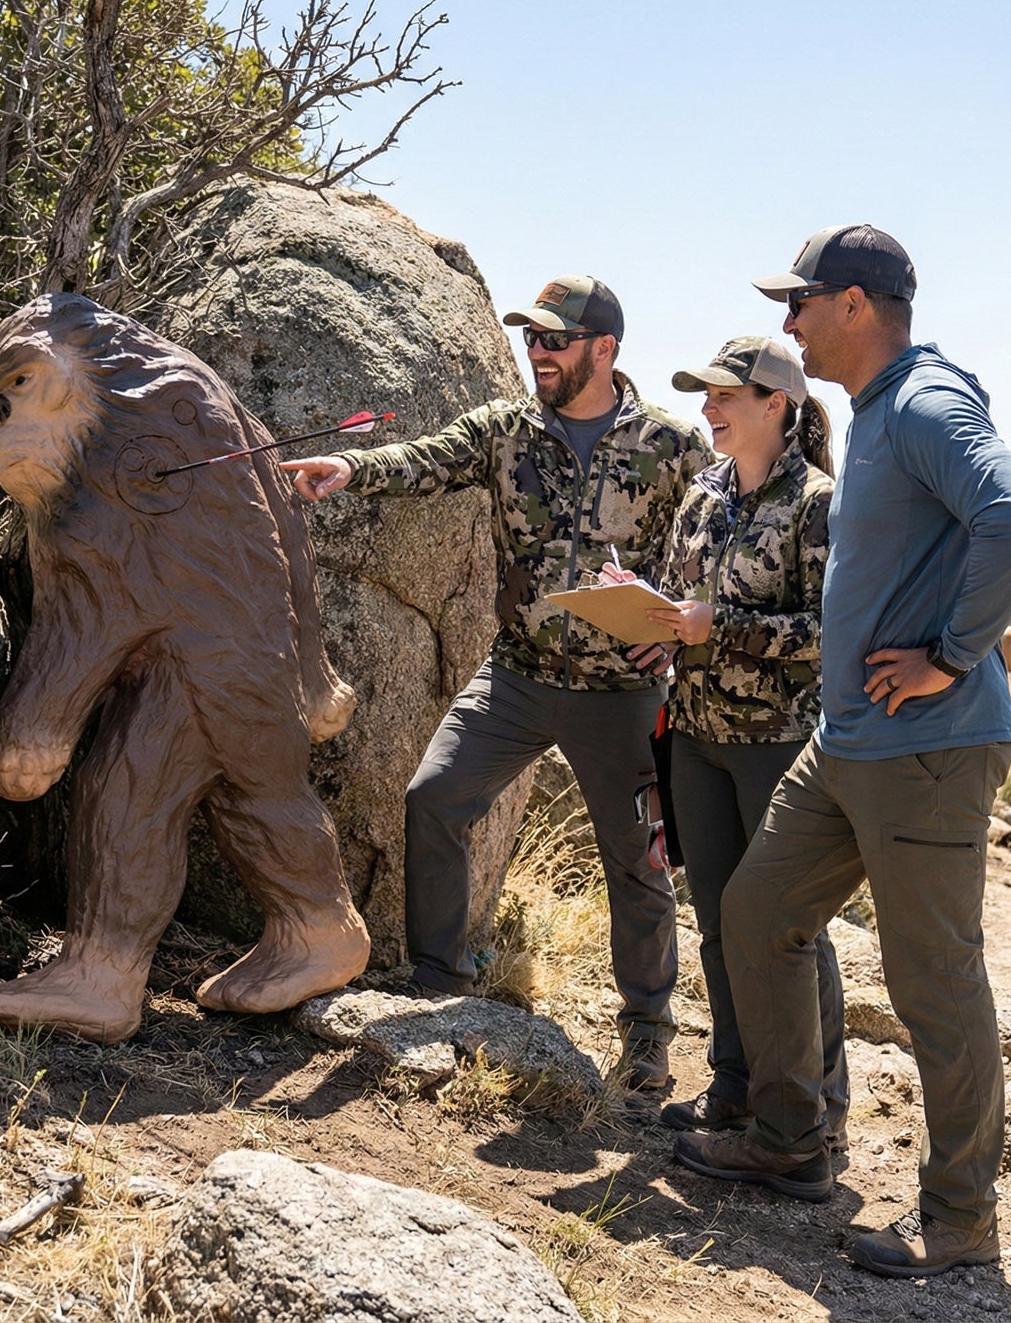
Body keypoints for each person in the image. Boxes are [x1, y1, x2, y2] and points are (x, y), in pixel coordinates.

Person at [669, 225, 1011, 1279]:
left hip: (925, 748)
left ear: (851, 303)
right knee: (752, 914)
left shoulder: (926, 400)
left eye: (798, 303)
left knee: (934, 982)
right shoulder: (882, 413)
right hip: (843, 744)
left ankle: (960, 1217)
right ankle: (789, 1137)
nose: (786, 323)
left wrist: (947, 652)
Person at [281, 275, 712, 1088]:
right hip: (516, 675)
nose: (537, 350)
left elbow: (716, 542)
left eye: (554, 338)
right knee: (434, 797)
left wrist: (687, 630)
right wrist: (347, 464)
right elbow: (422, 459)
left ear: (604, 349)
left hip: (623, 694)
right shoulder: (504, 429)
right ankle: (444, 987)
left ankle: (649, 1035)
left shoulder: (672, 445)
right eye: (532, 336)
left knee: (638, 862)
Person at [619, 337, 848, 1145]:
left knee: (786, 928)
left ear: (774, 404)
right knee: (718, 920)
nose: (707, 409)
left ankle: (820, 1107)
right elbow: (683, 605)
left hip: (778, 746)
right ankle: (736, 1085)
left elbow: (830, 630)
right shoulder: (701, 493)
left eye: (723, 396)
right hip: (694, 738)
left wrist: (721, 629)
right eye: (703, 395)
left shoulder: (819, 501)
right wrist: (658, 628)